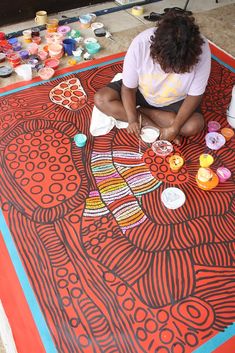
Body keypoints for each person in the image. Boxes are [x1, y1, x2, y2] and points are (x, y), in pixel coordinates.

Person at [94, 9, 211, 144]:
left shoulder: (200, 50)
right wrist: (132, 120)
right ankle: (155, 126)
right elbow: (129, 89)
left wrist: (175, 126)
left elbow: (194, 95)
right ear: (156, 50)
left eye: (177, 68)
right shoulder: (141, 44)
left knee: (193, 125)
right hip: (142, 91)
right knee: (101, 99)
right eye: (166, 66)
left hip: (175, 101)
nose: (170, 72)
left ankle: (143, 113)